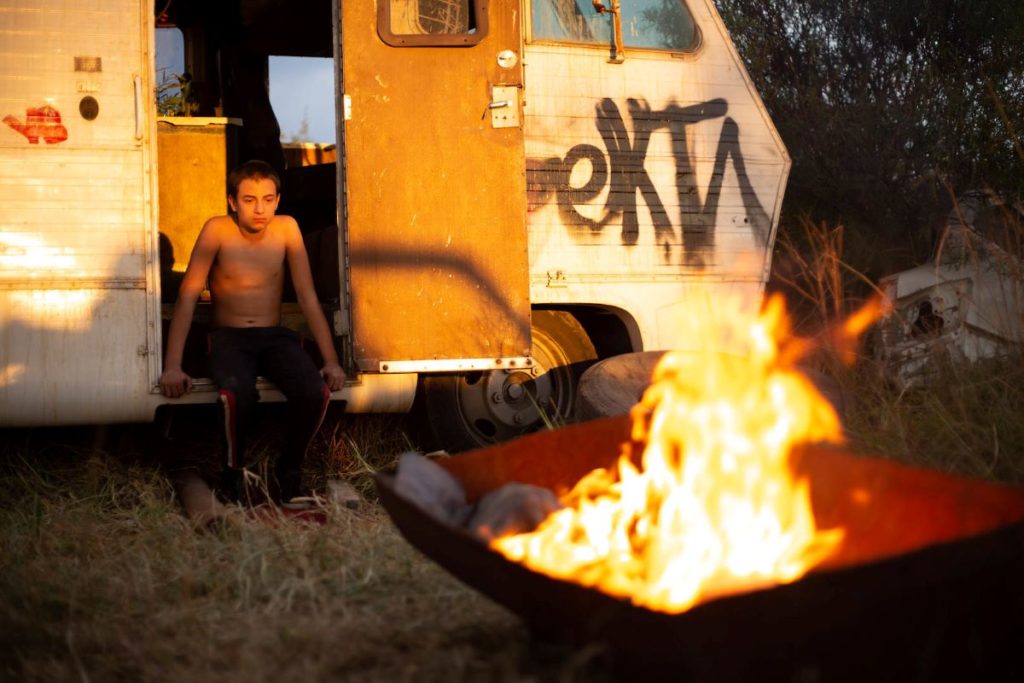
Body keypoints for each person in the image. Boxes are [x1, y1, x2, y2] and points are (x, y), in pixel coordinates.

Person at [160, 160, 346, 505]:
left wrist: (332, 362)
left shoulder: (287, 228)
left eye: (267, 199)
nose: (259, 208)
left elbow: (307, 297)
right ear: (233, 201)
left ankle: (289, 470)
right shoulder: (217, 229)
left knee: (315, 392)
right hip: (229, 338)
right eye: (249, 200)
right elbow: (187, 296)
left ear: (277, 200)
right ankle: (231, 475)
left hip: (273, 335)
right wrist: (173, 365)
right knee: (235, 394)